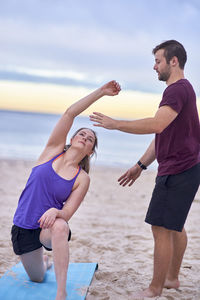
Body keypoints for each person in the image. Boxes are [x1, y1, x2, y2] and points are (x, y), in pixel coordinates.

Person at [90, 40, 200, 299]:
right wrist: (141, 165)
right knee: (174, 226)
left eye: (158, 61)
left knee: (160, 227)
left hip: (179, 168)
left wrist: (116, 124)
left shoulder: (176, 90)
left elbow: (157, 125)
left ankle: (154, 288)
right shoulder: (184, 90)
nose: (154, 66)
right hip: (187, 166)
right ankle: (171, 279)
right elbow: (163, 134)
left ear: (174, 61)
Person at [11, 80, 121, 300]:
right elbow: (70, 113)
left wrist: (56, 212)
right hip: (22, 229)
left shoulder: (82, 178)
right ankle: (44, 261)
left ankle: (61, 293)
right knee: (37, 278)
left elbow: (67, 212)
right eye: (82, 134)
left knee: (61, 226)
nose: (85, 138)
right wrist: (101, 92)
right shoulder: (52, 151)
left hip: (48, 228)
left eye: (90, 139)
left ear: (90, 151)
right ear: (71, 139)